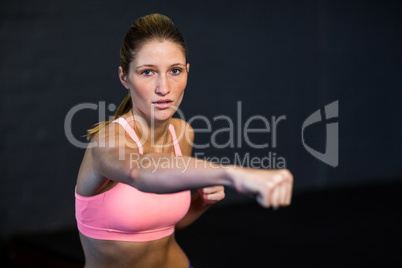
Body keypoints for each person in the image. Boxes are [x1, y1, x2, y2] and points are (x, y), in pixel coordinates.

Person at [75, 13, 293, 268]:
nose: (164, 88)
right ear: (125, 77)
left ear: (187, 72)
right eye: (148, 72)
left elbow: (167, 223)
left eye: (175, 71)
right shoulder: (108, 141)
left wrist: (202, 202)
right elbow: (140, 170)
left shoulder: (182, 133)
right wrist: (232, 174)